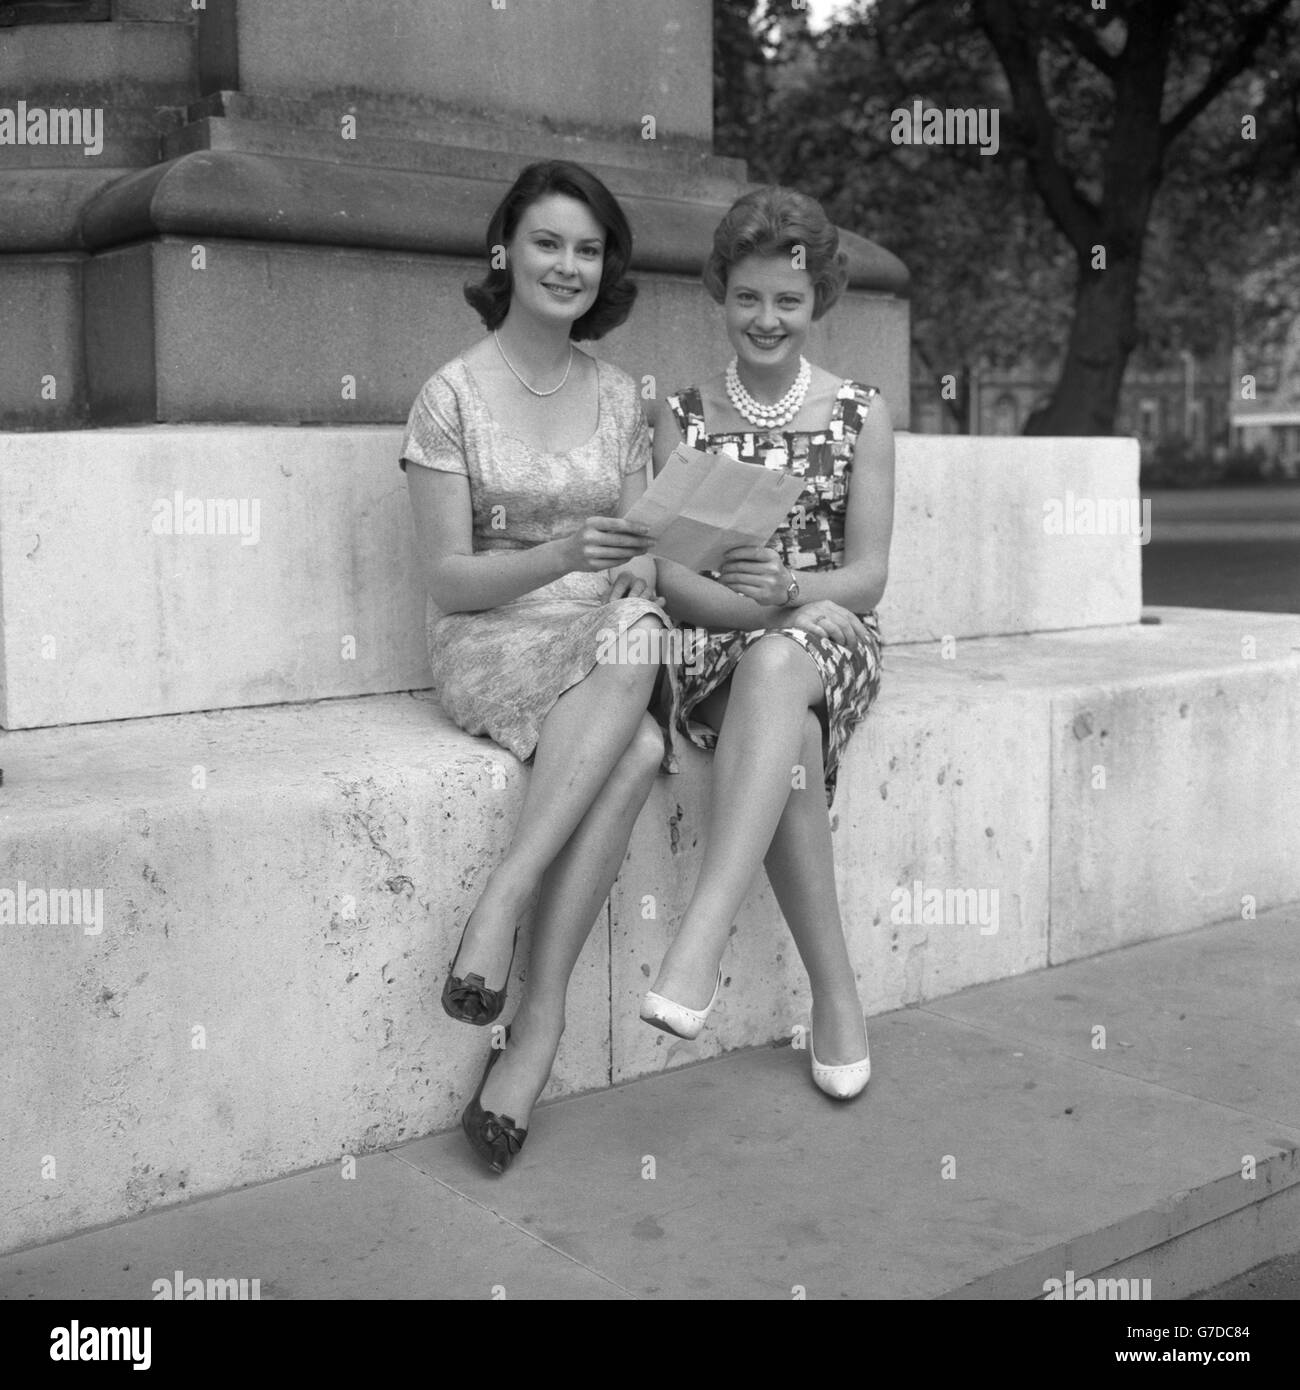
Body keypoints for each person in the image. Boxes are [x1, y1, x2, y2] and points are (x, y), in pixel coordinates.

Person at [401, 160, 674, 1172]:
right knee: (634, 710)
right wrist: (565, 554)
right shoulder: (450, 396)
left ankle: (530, 1008)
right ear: (503, 250)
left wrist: (645, 552)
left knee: (642, 732)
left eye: (588, 248)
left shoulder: (623, 395)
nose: (569, 264)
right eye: (549, 241)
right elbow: (446, 580)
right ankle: (520, 954)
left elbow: (645, 550)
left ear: (608, 270)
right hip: (494, 638)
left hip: (606, 634)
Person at [641, 185, 895, 1100]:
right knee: (784, 718)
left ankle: (699, 940)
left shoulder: (861, 411)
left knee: (785, 668)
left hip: (828, 637)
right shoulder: (682, 412)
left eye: (787, 299)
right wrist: (763, 616)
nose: (766, 317)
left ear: (817, 300)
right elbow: (672, 577)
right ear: (721, 293)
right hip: (717, 639)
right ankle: (837, 993)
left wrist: (793, 597)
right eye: (748, 297)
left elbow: (866, 577)